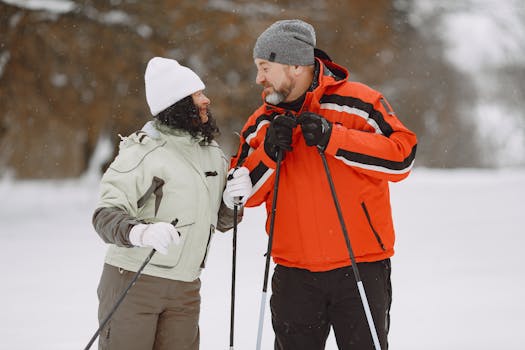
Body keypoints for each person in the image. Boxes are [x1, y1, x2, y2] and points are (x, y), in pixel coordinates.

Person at [223, 19, 418, 349]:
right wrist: (268, 154)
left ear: (295, 65)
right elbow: (241, 194)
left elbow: (402, 158)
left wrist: (335, 138)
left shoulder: (360, 103)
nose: (258, 78)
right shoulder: (261, 122)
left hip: (360, 268)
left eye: (264, 67)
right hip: (294, 276)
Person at [92, 57, 248, 350]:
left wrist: (231, 202)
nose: (207, 100)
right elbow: (104, 215)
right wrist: (140, 233)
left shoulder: (212, 154)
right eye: (198, 95)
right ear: (178, 104)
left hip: (186, 288)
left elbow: (222, 221)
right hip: (134, 283)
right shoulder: (143, 151)